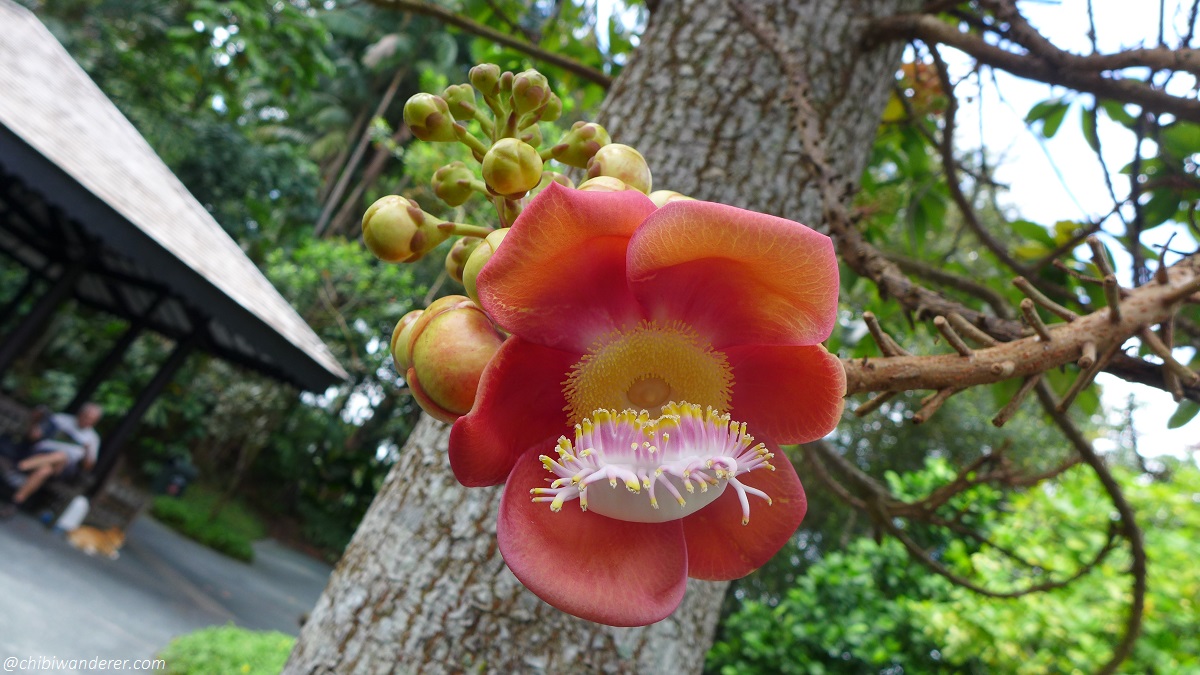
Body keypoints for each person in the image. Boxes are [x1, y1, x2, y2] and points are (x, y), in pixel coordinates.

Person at [1, 403, 102, 518]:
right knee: (44, 470)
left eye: (91, 419)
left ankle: (19, 467)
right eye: (86, 416)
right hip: (40, 455)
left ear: (95, 422)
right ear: (80, 413)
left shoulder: (93, 438)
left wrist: (88, 451)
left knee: (62, 455)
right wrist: (35, 421)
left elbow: (88, 466)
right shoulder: (60, 419)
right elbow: (34, 436)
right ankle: (14, 503)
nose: (87, 420)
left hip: (63, 468)